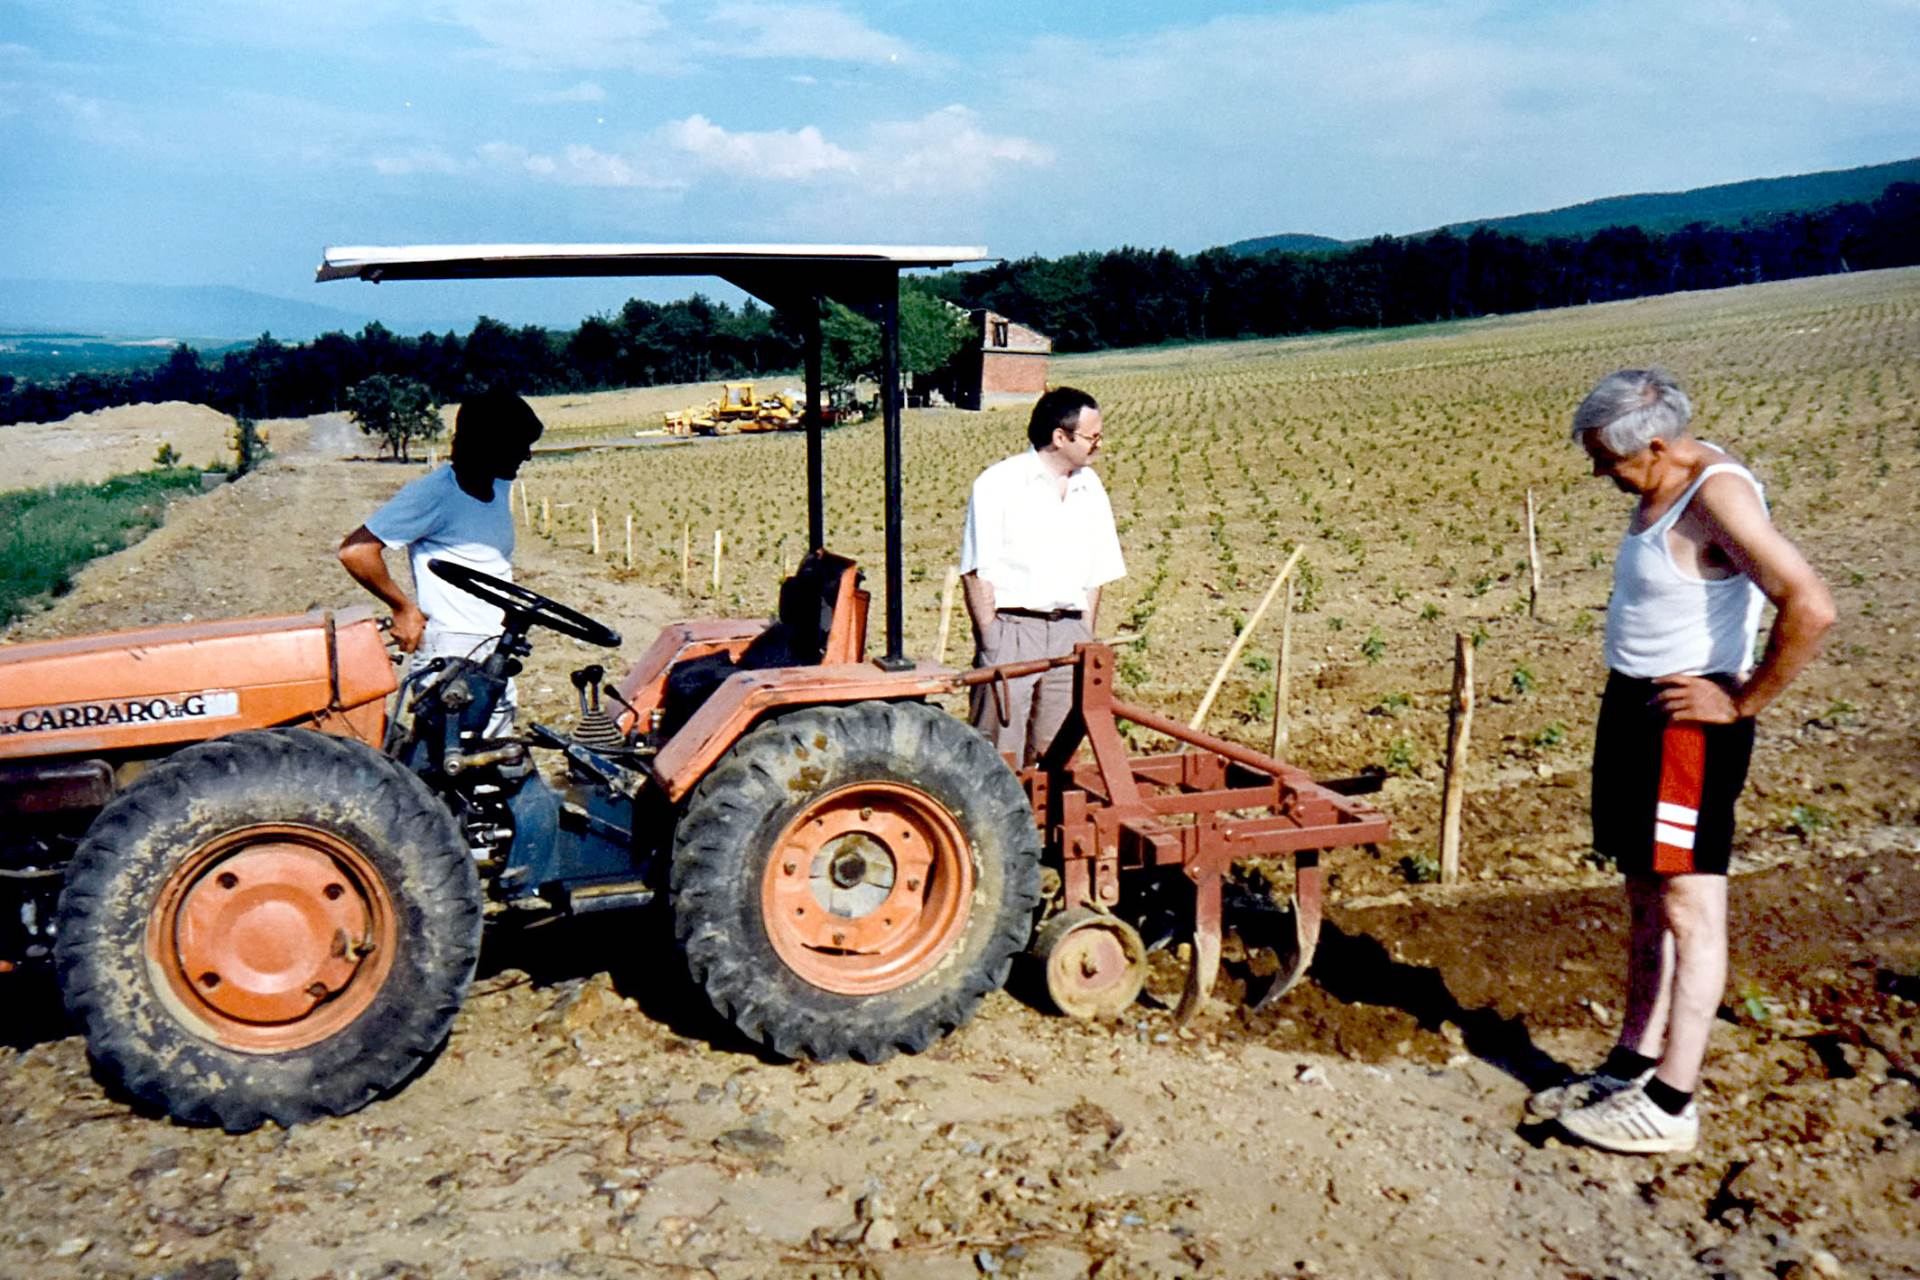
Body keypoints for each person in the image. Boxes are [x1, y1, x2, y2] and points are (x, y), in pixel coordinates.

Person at [1529, 368, 1834, 1154]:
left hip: (1686, 733)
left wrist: (1740, 702)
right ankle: (1631, 1062)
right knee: (1645, 897)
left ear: (1659, 444)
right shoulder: (1671, 481)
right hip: (1637, 713)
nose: (1600, 473)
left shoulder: (1716, 496)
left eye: (1608, 458)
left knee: (1691, 911)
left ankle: (1670, 1102)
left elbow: (1811, 603)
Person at [337, 387, 543, 735]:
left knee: (492, 759)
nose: (527, 455)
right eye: (518, 444)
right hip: (453, 652)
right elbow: (356, 551)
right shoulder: (434, 494)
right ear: (487, 444)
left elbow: (483, 564)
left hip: (494, 647)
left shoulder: (497, 489)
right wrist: (403, 608)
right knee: (455, 765)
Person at [958, 385, 1126, 765]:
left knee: (1056, 755)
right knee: (996, 758)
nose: (1099, 445)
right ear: (1059, 437)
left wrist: (1084, 632)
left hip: (1069, 635)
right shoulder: (999, 484)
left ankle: (1044, 824)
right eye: (1092, 436)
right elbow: (975, 570)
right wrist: (993, 639)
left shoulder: (1091, 488)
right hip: (1013, 631)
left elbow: (1096, 571)